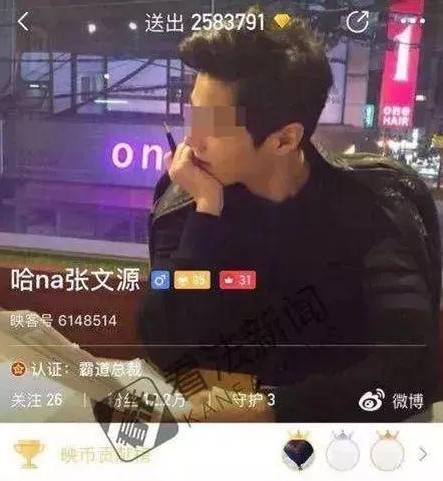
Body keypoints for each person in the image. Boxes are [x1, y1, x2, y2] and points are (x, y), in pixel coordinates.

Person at [137, 6, 441, 422]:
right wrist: (206, 214)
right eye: (194, 113)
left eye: (215, 126)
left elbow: (409, 371)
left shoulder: (372, 206)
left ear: (284, 139)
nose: (193, 140)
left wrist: (272, 409)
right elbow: (164, 346)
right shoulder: (188, 200)